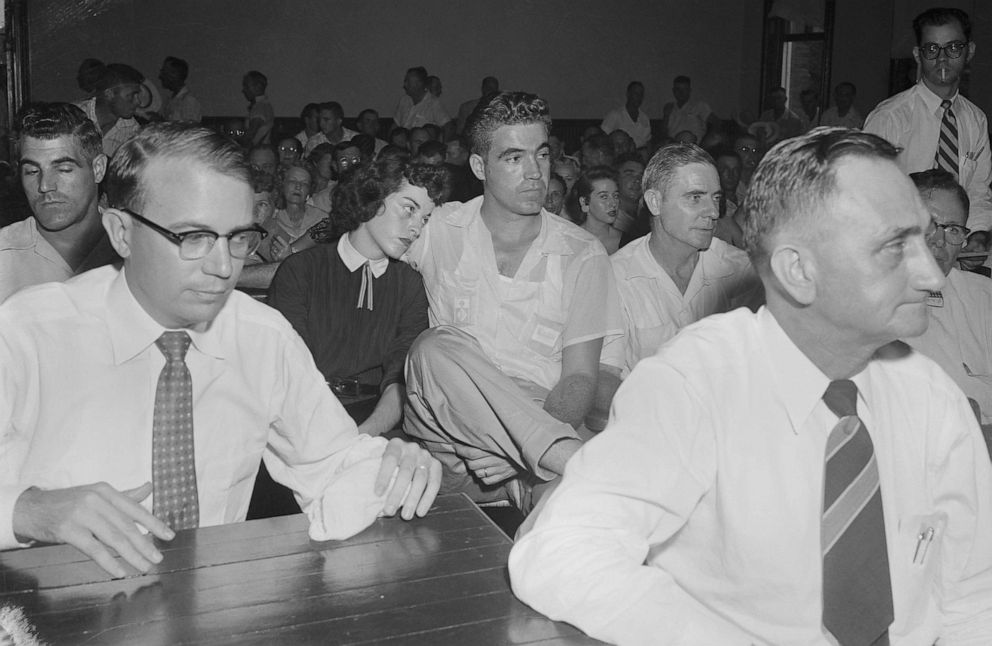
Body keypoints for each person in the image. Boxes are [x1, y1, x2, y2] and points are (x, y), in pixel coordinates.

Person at [510, 127, 992, 644]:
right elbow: (560, 550)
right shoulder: (698, 384)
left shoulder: (931, 399)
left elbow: (971, 598)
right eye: (895, 246)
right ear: (798, 269)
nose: (933, 273)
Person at [0, 122, 441, 579]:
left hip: (207, 609)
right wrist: (27, 510)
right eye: (192, 237)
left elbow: (329, 462)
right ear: (121, 232)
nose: (224, 267)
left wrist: (387, 468)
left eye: (238, 238)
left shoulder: (261, 336)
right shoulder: (29, 332)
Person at [403, 92, 622, 511]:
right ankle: (574, 461)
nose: (535, 173)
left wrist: (518, 447)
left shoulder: (582, 252)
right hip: (449, 440)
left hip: (535, 437)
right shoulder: (440, 228)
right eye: (513, 158)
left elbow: (578, 378)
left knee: (566, 518)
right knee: (433, 348)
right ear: (479, 166)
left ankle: (551, 474)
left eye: (541, 155)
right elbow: (357, 243)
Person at [269, 158, 446, 437]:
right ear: (372, 198)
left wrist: (361, 437)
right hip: (301, 414)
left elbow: (399, 380)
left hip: (375, 419)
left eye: (424, 219)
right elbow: (290, 372)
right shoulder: (301, 270)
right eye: (409, 209)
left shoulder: (409, 284)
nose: (416, 228)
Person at [601, 143, 760, 377]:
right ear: (655, 202)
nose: (714, 212)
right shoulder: (616, 277)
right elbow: (605, 375)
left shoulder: (741, 270)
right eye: (695, 197)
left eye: (716, 198)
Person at [864, 7, 992, 249]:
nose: (942, 58)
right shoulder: (891, 117)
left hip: (956, 249)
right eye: (932, 49)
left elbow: (977, 191)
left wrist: (976, 235)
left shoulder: (976, 120)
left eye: (953, 47)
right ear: (917, 54)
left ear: (969, 51)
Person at [1, 102, 119, 302]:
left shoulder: (137, 246)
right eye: (32, 171)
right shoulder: (4, 254)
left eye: (63, 169)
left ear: (98, 169)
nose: (45, 186)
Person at [907, 169, 992, 426]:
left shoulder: (983, 296)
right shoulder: (856, 302)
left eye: (953, 229)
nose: (939, 240)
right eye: (928, 225)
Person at [75, 63, 143, 157]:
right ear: (109, 94)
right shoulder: (73, 117)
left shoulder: (132, 130)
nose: (138, 102)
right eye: (131, 96)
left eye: (137, 95)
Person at [564, 166, 622, 255]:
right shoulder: (569, 241)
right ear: (584, 202)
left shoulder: (628, 242)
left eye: (616, 196)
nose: (613, 203)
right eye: (604, 197)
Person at [393, 67, 452, 132]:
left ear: (419, 84)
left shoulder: (433, 103)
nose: (405, 85)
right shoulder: (404, 100)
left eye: (408, 81)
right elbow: (396, 124)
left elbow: (448, 126)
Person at [662, 76, 714, 143]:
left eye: (684, 89)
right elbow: (663, 133)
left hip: (692, 146)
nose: (681, 92)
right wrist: (666, 115)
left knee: (687, 136)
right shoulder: (669, 107)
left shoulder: (699, 106)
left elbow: (716, 123)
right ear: (673, 91)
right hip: (673, 146)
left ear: (689, 91)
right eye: (678, 89)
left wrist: (706, 142)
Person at [601, 81, 652, 151]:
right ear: (628, 94)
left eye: (641, 94)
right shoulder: (615, 115)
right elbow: (604, 137)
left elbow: (648, 141)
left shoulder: (645, 118)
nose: (639, 97)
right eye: (636, 93)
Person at [159, 56, 201, 123]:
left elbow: (190, 130)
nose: (160, 76)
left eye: (164, 72)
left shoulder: (189, 100)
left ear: (174, 75)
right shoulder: (169, 100)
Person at [614, 152, 645, 234]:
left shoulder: (647, 216)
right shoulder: (611, 219)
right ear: (616, 178)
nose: (637, 180)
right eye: (629, 174)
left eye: (641, 175)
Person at [241, 70, 273, 146]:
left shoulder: (259, 106)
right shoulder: (265, 105)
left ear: (258, 87)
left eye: (246, 86)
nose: (244, 90)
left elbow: (252, 133)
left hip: (258, 151)